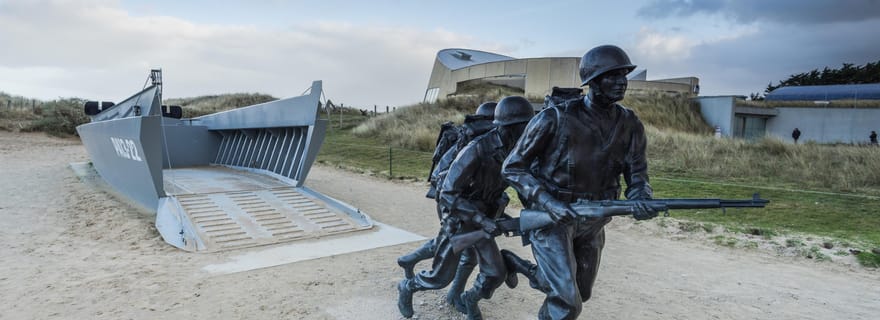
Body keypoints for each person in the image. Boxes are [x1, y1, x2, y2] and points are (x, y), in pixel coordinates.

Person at [501, 45, 658, 319]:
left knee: (580, 292)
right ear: (593, 81)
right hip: (553, 218)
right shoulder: (554, 118)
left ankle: (519, 265)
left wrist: (641, 197)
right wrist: (548, 203)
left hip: (595, 218)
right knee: (568, 303)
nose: (622, 82)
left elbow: (637, 174)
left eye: (624, 75)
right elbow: (513, 168)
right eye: (613, 75)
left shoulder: (630, 123)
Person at [398, 96, 534, 320]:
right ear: (509, 127)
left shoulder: (516, 150)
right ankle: (408, 286)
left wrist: (532, 212)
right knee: (440, 277)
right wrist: (481, 220)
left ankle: (469, 299)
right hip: (461, 219)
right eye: (525, 126)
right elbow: (447, 193)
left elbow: (521, 183)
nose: (530, 131)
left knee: (495, 273)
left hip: (485, 219)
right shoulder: (477, 149)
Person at [399, 102, 496, 312]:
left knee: (462, 248)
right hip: (454, 205)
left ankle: (451, 290)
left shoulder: (494, 147)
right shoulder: (468, 144)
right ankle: (422, 281)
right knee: (455, 246)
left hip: (472, 207)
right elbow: (441, 177)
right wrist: (460, 197)